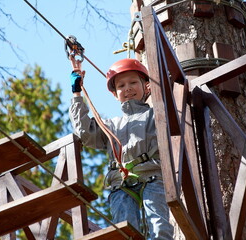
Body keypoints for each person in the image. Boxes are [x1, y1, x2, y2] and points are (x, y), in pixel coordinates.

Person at [69, 58, 174, 239]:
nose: (127, 88)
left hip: (152, 178)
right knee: (124, 232)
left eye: (133, 82)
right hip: (121, 184)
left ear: (147, 87)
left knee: (159, 229)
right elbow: (85, 132)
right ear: (115, 94)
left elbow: (173, 110)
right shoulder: (111, 125)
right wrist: (77, 93)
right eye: (121, 86)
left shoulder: (156, 114)